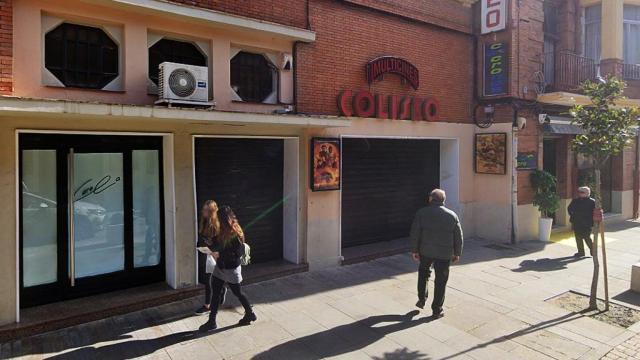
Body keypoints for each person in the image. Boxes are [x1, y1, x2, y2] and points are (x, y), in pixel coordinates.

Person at [201, 205, 257, 331]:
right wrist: (211, 244)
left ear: (223, 219)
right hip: (221, 266)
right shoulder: (221, 230)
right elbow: (217, 244)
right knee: (215, 293)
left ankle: (250, 313)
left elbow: (237, 253)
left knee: (238, 292)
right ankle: (212, 321)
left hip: (231, 269)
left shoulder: (234, 233)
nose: (216, 220)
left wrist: (218, 251)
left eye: (218, 218)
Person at [410, 189, 463, 318]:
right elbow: (458, 236)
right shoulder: (452, 215)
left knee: (423, 274)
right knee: (441, 280)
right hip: (444, 254)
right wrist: (457, 253)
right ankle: (437, 310)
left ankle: (422, 299)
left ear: (430, 199)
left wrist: (414, 250)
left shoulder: (422, 213)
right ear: (443, 200)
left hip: (425, 251)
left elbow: (415, 233)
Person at [195, 200, 227, 315]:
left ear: (211, 212)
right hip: (205, 253)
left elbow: (220, 243)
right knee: (209, 279)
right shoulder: (202, 221)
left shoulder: (217, 225)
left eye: (205, 210)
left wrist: (211, 249)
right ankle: (222, 290)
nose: (203, 211)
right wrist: (200, 245)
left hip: (214, 255)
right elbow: (201, 237)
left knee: (209, 280)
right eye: (203, 209)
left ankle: (207, 305)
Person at [567, 186, 596, 257]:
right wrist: (573, 215)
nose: (580, 193)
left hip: (587, 223)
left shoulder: (592, 202)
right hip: (577, 222)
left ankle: (592, 250)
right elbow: (569, 208)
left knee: (586, 237)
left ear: (587, 193)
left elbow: (595, 212)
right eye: (579, 192)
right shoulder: (575, 200)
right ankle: (581, 252)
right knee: (578, 237)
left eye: (582, 192)